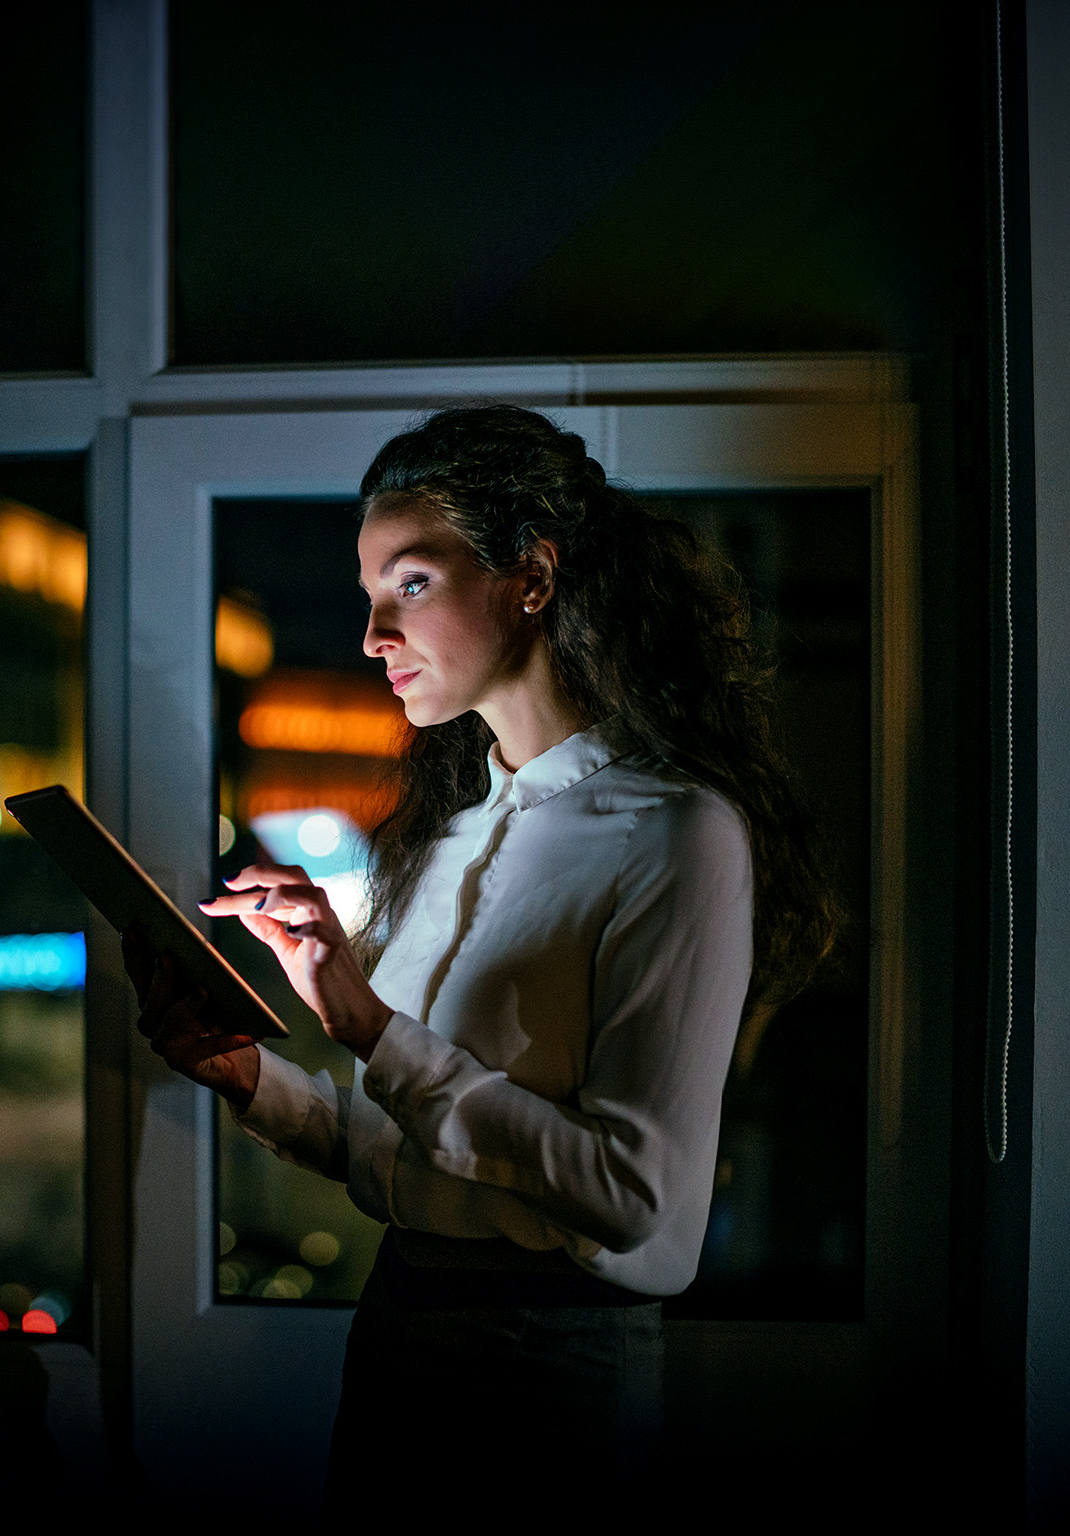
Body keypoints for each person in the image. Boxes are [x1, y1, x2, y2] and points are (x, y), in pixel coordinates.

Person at [122, 405, 839, 1508]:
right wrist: (252, 1079)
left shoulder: (676, 831)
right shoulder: (448, 836)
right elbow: (405, 1150)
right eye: (367, 597)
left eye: (407, 584)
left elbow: (627, 1191)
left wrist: (366, 1023)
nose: (371, 635)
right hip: (397, 1312)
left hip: (553, 1360)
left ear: (533, 577)